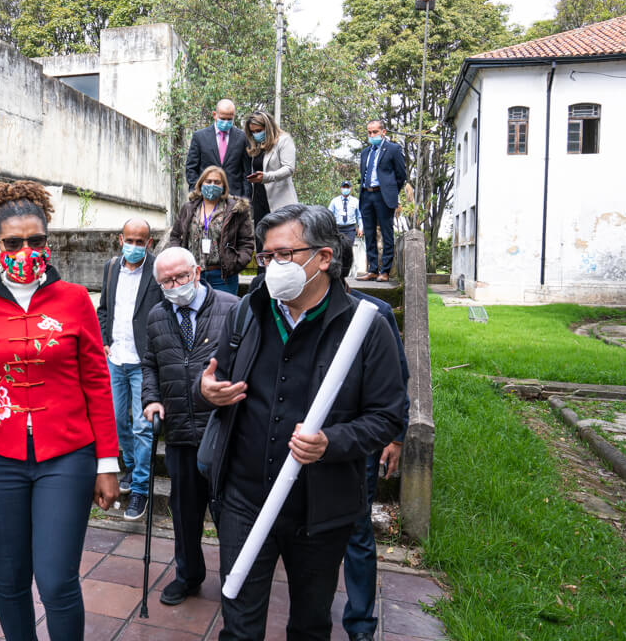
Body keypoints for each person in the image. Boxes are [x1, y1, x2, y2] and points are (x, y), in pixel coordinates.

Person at [195, 204, 406, 641]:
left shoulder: (367, 326)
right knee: (238, 625)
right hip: (244, 499)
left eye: (284, 254)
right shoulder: (247, 313)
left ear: (324, 257)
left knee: (310, 624)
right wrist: (207, 389)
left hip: (320, 510)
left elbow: (387, 415)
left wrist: (331, 441)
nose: (273, 266)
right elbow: (218, 377)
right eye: (267, 256)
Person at [0, 181, 120, 641]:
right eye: (13, 242)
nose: (26, 251)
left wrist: (107, 462)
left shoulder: (75, 300)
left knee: (57, 580)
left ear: (47, 240)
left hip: (67, 456)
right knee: (10, 579)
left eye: (35, 240)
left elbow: (98, 383)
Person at [141, 247, 238, 606]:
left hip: (224, 430)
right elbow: (150, 363)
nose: (175, 285)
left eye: (181, 276)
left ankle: (236, 580)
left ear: (197, 272)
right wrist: (151, 398)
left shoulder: (232, 308)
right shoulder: (156, 315)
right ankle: (188, 575)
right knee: (184, 513)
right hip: (180, 430)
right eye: (167, 281)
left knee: (230, 513)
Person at [337, 240, 410, 641]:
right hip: (306, 442)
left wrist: (395, 437)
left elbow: (397, 381)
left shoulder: (373, 314)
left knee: (356, 528)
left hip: (359, 442)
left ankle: (361, 624)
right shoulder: (288, 310)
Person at [96, 218, 165, 521]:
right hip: (115, 358)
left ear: (149, 243)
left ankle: (140, 488)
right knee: (116, 421)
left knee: (142, 426)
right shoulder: (111, 268)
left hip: (142, 362)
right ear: (120, 239)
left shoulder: (157, 270)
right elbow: (104, 309)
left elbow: (165, 312)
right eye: (130, 240)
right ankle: (132, 466)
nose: (135, 246)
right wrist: (104, 339)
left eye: (141, 242)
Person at [168, 165, 255, 296]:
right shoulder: (188, 208)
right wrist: (179, 260)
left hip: (223, 277)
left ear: (224, 186)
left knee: (224, 309)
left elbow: (246, 242)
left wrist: (235, 264)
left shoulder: (235, 210)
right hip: (192, 275)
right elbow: (175, 236)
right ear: (201, 184)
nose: (212, 185)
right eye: (208, 181)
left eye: (217, 182)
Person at [357, 120, 407, 282]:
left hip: (383, 196)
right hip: (366, 195)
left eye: (375, 132)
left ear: (383, 132)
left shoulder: (393, 149)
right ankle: (372, 269)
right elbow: (363, 174)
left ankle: (385, 271)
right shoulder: (365, 152)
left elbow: (401, 175)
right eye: (369, 132)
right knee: (369, 234)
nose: (372, 135)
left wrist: (390, 191)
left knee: (387, 233)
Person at [243, 111, 297, 236]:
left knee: (281, 239)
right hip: (259, 200)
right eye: (253, 132)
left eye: (259, 130)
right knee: (261, 240)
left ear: (268, 127)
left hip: (279, 200)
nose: (256, 134)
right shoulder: (256, 146)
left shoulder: (284, 141)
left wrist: (267, 177)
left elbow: (289, 168)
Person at [186, 98, 252, 198]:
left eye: (229, 119)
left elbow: (247, 171)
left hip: (234, 197)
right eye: (223, 118)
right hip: (206, 196)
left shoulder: (242, 138)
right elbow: (191, 168)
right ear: (214, 115)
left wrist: (245, 198)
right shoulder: (199, 137)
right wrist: (197, 192)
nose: (226, 122)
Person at [327, 180, 363, 250]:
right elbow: (328, 215)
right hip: (338, 229)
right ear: (341, 188)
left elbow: (360, 216)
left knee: (348, 249)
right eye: (344, 187)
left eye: (347, 187)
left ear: (350, 189)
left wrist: (360, 229)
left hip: (350, 229)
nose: (345, 189)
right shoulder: (334, 201)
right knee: (338, 249)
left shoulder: (356, 201)